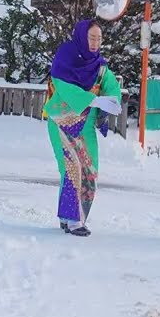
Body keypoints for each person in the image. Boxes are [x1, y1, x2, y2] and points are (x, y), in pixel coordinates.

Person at [43, 19, 122, 237]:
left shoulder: (100, 65)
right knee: (72, 169)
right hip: (62, 123)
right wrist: (95, 101)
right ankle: (74, 220)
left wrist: (113, 100)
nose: (95, 43)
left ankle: (70, 217)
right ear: (81, 37)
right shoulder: (65, 58)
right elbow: (65, 89)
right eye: (91, 37)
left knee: (89, 170)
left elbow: (111, 85)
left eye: (99, 38)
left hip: (85, 125)